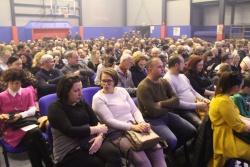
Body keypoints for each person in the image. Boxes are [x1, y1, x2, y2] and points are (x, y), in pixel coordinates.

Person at [92, 68, 167, 167]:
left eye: (109, 81)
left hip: (134, 127)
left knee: (158, 152)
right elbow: (109, 121)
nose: (106, 84)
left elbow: (134, 110)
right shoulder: (98, 98)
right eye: (103, 81)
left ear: (115, 80)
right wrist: (133, 127)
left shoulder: (122, 91)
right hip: (117, 133)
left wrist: (141, 122)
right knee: (143, 162)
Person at [47, 74, 122, 167]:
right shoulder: (55, 107)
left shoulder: (81, 102)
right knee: (98, 164)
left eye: (81, 89)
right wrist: (97, 130)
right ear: (65, 91)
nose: (81, 94)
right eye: (76, 91)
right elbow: (70, 131)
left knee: (114, 154)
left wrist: (100, 137)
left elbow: (96, 122)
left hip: (87, 140)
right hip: (69, 149)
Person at [137, 58, 196, 153]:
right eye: (159, 67)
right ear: (150, 70)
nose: (163, 69)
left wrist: (160, 104)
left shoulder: (163, 81)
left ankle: (172, 152)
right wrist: (169, 105)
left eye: (163, 66)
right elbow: (153, 112)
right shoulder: (143, 87)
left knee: (191, 131)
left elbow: (176, 100)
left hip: (166, 115)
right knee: (172, 141)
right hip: (152, 119)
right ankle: (162, 154)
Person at [0, 69, 54, 167]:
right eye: (11, 83)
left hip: (25, 123)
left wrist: (20, 115)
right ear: (7, 82)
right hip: (11, 128)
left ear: (21, 82)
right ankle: (49, 163)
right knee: (34, 134)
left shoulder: (26, 92)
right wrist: (2, 116)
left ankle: (40, 164)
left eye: (16, 83)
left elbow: (32, 110)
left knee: (32, 138)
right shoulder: (2, 96)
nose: (13, 86)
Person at [208, 72, 250, 167]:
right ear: (235, 87)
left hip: (227, 133)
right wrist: (248, 126)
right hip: (226, 138)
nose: (242, 87)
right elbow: (238, 127)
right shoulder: (224, 101)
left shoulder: (223, 97)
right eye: (241, 85)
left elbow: (236, 116)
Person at [164, 54, 210, 129]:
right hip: (183, 110)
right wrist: (196, 105)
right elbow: (175, 103)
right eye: (182, 63)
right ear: (176, 65)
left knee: (213, 119)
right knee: (202, 125)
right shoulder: (168, 80)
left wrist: (203, 99)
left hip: (195, 105)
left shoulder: (182, 76)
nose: (184, 65)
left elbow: (193, 91)